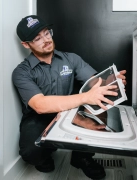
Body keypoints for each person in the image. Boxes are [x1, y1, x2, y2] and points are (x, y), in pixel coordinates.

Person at [12, 15, 127, 179]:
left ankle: (82, 157)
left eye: (47, 33)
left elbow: (96, 82)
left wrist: (111, 81)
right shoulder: (21, 72)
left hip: (71, 110)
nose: (46, 40)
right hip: (39, 117)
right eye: (37, 38)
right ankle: (45, 155)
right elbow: (40, 105)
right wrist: (86, 97)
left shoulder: (71, 58)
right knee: (31, 152)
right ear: (26, 44)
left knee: (99, 111)